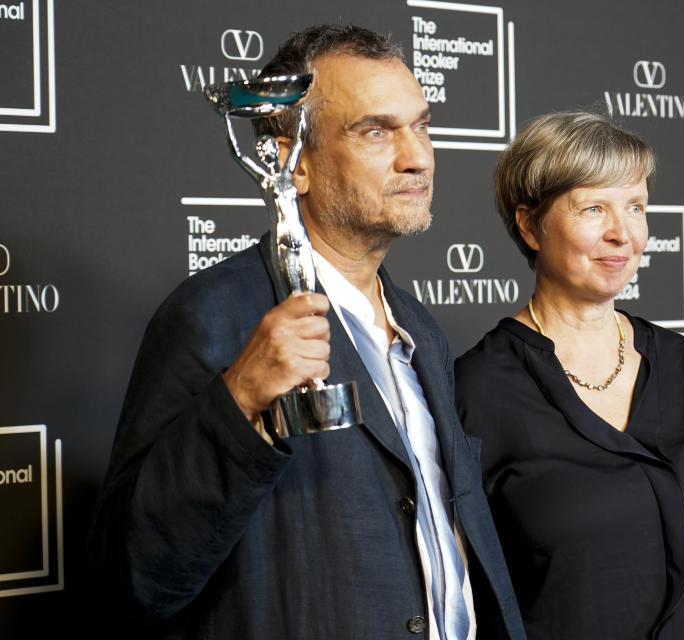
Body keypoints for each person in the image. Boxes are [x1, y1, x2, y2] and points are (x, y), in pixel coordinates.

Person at [88, 25, 524, 640]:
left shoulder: (421, 328)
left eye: (420, 126)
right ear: (292, 163)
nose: (417, 156)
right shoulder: (216, 315)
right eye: (375, 131)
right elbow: (133, 577)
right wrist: (239, 400)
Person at [454, 112, 684, 639]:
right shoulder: (477, 390)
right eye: (594, 208)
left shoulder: (682, 364)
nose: (623, 234)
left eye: (636, 207)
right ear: (530, 225)